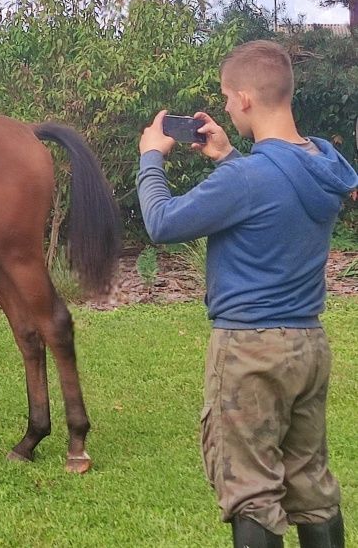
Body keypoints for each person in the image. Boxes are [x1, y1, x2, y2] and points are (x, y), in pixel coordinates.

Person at [138, 39, 357, 548]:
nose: (227, 107)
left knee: (252, 493)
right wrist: (229, 155)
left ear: (244, 99)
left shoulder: (246, 178)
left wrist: (152, 158)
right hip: (308, 344)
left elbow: (161, 223)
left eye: (226, 98)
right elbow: (273, 195)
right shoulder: (322, 166)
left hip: (249, 351)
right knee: (313, 487)